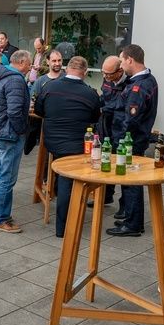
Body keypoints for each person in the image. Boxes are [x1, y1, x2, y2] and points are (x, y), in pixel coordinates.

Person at [35, 56, 101, 238]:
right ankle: (63, 227)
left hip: (52, 142)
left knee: (64, 176)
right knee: (67, 180)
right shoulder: (90, 93)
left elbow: (39, 110)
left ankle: (63, 215)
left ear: (66, 68)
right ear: (85, 73)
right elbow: (95, 117)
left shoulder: (49, 87)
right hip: (77, 144)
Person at [106, 44, 159, 237]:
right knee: (129, 181)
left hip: (130, 142)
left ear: (130, 59)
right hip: (134, 139)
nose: (121, 65)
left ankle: (133, 224)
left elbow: (130, 120)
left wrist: (120, 142)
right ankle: (131, 217)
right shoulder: (145, 80)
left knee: (131, 182)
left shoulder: (139, 86)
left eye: (122, 60)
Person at [0, 50, 33, 233]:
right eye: (29, 63)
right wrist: (21, 130)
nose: (30, 67)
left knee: (0, 174)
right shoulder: (15, 79)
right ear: (21, 62)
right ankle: (0, 219)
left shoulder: (1, 75)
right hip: (8, 133)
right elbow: (14, 111)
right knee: (7, 177)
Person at [95, 55, 127, 211]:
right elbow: (105, 97)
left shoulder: (129, 83)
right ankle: (105, 196)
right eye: (103, 73)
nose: (105, 76)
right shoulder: (107, 79)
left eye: (108, 74)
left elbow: (118, 105)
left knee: (122, 165)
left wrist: (104, 108)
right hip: (106, 125)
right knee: (105, 161)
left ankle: (125, 206)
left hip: (121, 128)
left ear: (119, 71)